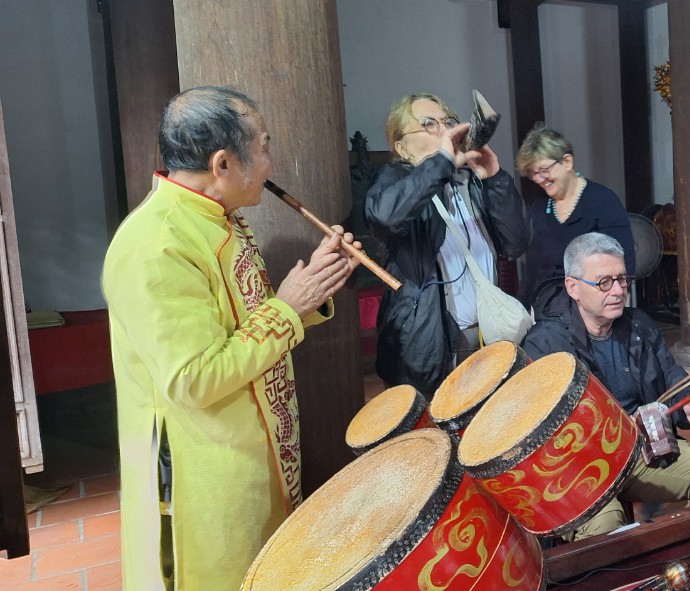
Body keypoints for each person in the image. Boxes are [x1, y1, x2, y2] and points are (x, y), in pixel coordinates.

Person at [102, 86, 360, 590]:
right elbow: (194, 377)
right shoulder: (156, 245)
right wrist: (288, 308)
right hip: (206, 468)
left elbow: (242, 328)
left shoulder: (217, 218)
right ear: (223, 163)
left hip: (252, 446)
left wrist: (310, 291)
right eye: (263, 145)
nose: (270, 160)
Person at [522, 232, 690, 541]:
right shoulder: (544, 344)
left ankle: (677, 555)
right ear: (573, 287)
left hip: (641, 449)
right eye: (603, 283)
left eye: (622, 280)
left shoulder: (638, 323)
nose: (617, 291)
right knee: (605, 527)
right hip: (582, 467)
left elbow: (670, 374)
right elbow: (539, 434)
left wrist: (688, 401)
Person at [365, 93, 530, 396]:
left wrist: (494, 177)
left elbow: (517, 243)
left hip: (486, 341)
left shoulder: (469, 183)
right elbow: (385, 216)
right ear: (401, 146)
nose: (443, 129)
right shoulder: (393, 179)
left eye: (448, 122)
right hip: (427, 349)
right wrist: (440, 163)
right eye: (428, 124)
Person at [515, 123, 634, 305]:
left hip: (595, 307)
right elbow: (534, 272)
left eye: (544, 170)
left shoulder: (602, 200)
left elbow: (624, 263)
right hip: (548, 310)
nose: (539, 179)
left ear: (567, 162)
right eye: (533, 174)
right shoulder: (539, 208)